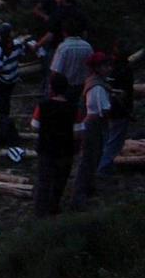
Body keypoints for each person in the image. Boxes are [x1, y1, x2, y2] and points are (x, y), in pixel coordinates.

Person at [31, 72, 81, 217]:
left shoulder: (43, 105)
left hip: (46, 149)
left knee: (44, 181)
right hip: (65, 150)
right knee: (60, 181)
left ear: (51, 88)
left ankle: (40, 212)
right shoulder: (73, 108)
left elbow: (34, 125)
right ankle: (54, 207)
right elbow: (78, 132)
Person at [72, 53, 112, 210]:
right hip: (92, 126)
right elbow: (103, 110)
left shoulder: (96, 82)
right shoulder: (97, 87)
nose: (109, 69)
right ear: (97, 68)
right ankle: (78, 196)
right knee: (87, 160)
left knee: (93, 158)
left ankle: (88, 188)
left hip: (92, 125)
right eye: (105, 66)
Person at [97, 45, 134, 175]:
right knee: (114, 141)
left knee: (107, 138)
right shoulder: (125, 70)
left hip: (106, 108)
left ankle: (103, 164)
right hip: (120, 110)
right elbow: (125, 93)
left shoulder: (108, 69)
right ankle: (103, 167)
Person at [49, 16, 93, 103]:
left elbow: (56, 71)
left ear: (64, 32)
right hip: (82, 86)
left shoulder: (63, 47)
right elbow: (91, 67)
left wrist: (51, 87)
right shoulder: (87, 46)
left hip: (65, 87)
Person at [0, 23, 25, 118]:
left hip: (3, 80)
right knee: (7, 96)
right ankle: (5, 113)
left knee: (3, 100)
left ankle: (3, 117)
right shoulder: (18, 44)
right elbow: (21, 56)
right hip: (14, 76)